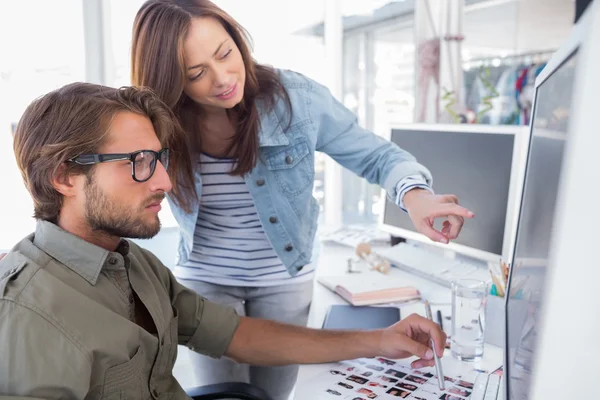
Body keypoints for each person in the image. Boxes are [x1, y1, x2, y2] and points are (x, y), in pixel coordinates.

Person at [0, 82, 447, 399]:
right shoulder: (24, 315)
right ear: (64, 177)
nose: (164, 181)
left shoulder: (134, 263)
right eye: (138, 161)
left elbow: (236, 334)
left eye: (160, 159)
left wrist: (380, 340)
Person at [130, 1, 474, 397]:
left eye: (225, 54)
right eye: (196, 73)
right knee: (224, 394)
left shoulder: (295, 99)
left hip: (284, 276)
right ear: (172, 82)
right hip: (206, 280)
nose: (222, 78)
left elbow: (376, 155)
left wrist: (416, 196)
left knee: (274, 393)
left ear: (237, 40)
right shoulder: (158, 121)